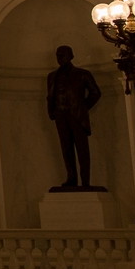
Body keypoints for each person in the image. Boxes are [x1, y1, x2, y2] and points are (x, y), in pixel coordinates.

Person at [45, 45, 103, 190]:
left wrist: (83, 108)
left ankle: (85, 181)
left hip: (77, 115)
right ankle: (71, 178)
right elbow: (50, 96)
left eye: (63, 55)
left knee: (82, 149)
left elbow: (95, 93)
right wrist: (52, 111)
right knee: (66, 148)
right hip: (60, 115)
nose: (60, 58)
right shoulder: (52, 76)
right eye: (58, 55)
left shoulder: (82, 74)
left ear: (71, 56)